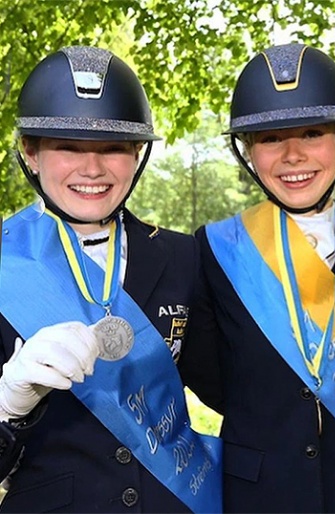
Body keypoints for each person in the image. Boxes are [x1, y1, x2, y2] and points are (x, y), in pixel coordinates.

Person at [179, 42, 335, 513]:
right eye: (269, 138)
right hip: (257, 492)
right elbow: (206, 372)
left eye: (311, 133)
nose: (292, 155)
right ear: (248, 151)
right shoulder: (216, 249)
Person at [0, 46, 221, 512]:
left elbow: (237, 388)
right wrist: (6, 406)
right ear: (30, 152)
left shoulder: (181, 255)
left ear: (137, 154)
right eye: (69, 147)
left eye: (113, 147)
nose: (93, 169)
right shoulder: (6, 261)